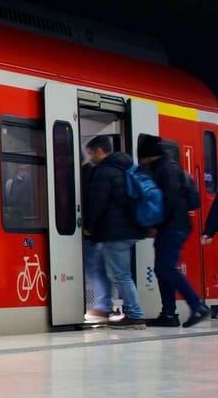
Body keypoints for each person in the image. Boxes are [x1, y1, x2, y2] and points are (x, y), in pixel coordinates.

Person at [138, 134, 207, 327]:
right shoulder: (168, 166)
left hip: (173, 226)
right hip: (174, 225)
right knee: (162, 268)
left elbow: (170, 200)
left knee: (167, 268)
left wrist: (156, 224)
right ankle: (168, 314)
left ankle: (197, 306)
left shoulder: (165, 169)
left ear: (149, 154)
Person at [82, 135, 147, 329]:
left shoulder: (104, 171)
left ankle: (135, 314)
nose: (91, 158)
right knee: (104, 268)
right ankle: (104, 306)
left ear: (100, 150)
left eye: (91, 153)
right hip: (128, 229)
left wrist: (88, 224)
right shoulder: (125, 167)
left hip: (115, 232)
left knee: (120, 275)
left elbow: (97, 203)